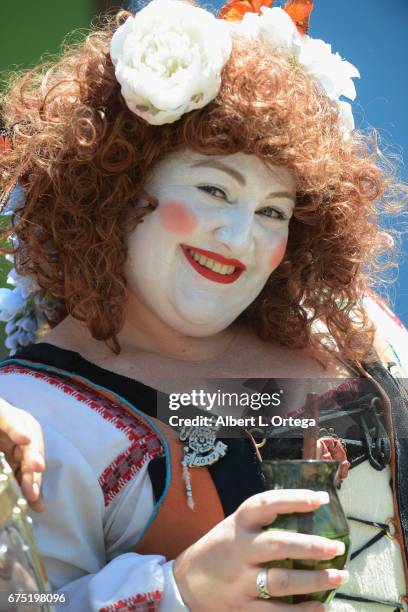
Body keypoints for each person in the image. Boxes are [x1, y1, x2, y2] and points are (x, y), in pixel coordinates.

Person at [0, 0, 407, 610]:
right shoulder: (32, 412)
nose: (242, 238)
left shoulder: (355, 335)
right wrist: (182, 589)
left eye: (274, 211)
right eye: (213, 189)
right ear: (113, 190)